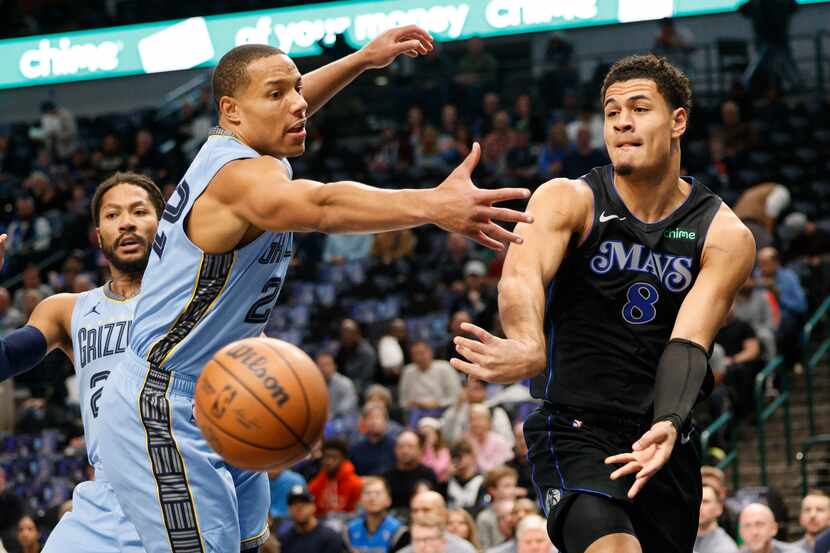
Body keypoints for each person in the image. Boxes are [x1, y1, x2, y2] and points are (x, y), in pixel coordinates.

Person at [99, 27, 531, 553]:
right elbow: (324, 207)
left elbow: (289, 99)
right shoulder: (237, 180)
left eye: (299, 89)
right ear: (232, 111)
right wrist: (433, 206)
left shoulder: (249, 145)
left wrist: (362, 61)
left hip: (221, 390)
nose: (298, 105)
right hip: (164, 398)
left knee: (252, 544)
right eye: (278, 95)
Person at [450, 54, 756, 553]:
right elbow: (521, 275)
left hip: (661, 442)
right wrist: (527, 339)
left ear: (678, 120)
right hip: (574, 428)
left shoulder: (723, 233)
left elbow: (690, 341)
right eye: (611, 112)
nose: (622, 123)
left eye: (639, 108)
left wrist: (669, 422)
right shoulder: (568, 199)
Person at [0, 172, 167, 552]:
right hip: (105, 497)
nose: (125, 221)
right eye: (112, 215)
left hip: (176, 485)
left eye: (139, 211)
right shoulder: (67, 310)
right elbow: (5, 360)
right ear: (98, 234)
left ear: (165, 224)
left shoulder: (196, 300)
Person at [398, 491, 477, 553]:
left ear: (443, 513)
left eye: (426, 510)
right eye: (414, 511)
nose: (419, 515)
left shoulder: (462, 550)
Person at [279, 485, 349, 553]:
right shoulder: (285, 540)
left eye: (304, 503)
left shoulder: (331, 537)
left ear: (313, 507)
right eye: (294, 504)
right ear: (288, 509)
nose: (299, 507)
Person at [347, 477, 406, 553]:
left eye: (378, 493)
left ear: (389, 500)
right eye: (367, 493)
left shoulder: (399, 532)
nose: (372, 498)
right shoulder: (350, 530)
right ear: (360, 500)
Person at [384, 431, 439, 512]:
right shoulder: (386, 476)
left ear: (420, 449)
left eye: (410, 447)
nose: (405, 451)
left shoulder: (428, 475)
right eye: (401, 447)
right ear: (395, 450)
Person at [308, 438, 363, 517]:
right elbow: (312, 510)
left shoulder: (355, 483)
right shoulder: (317, 482)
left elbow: (357, 514)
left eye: (334, 457)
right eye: (326, 457)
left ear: (343, 459)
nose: (329, 461)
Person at [696, 485, 738, 553]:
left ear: (719, 508)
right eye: (697, 501)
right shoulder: (681, 539)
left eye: (706, 502)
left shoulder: (726, 548)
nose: (700, 507)